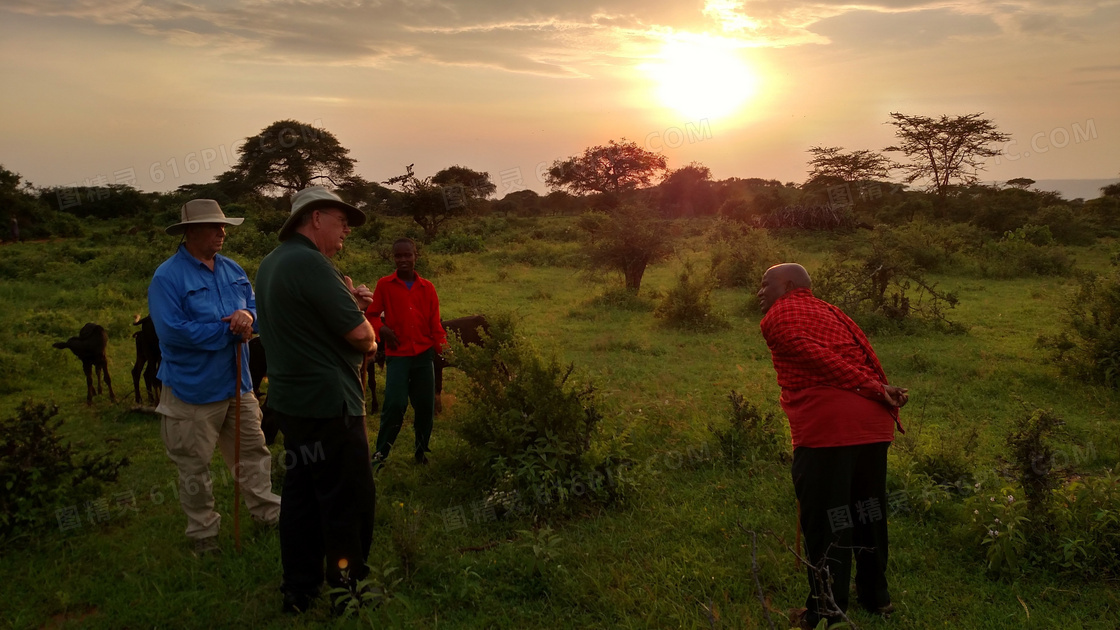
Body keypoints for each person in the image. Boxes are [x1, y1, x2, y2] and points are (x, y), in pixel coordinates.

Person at [756, 263, 908, 629]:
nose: (760, 292)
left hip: (830, 428)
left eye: (766, 284)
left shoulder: (779, 315)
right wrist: (877, 389)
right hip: (872, 425)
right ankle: (877, 598)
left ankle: (827, 608)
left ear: (788, 285)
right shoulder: (830, 310)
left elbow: (819, 359)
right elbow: (861, 355)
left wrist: (872, 387)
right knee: (867, 511)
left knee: (829, 519)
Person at [255, 185, 378, 615]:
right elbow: (362, 337)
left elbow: (306, 325)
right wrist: (363, 320)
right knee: (347, 502)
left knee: (302, 497)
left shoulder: (271, 264)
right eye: (339, 218)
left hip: (291, 403)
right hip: (331, 405)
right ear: (314, 219)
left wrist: (347, 301)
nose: (346, 227)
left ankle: (298, 591)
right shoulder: (312, 263)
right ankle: (348, 592)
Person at [148, 199, 281, 556]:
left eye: (223, 226)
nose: (222, 232)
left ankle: (268, 515)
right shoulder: (167, 277)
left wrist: (247, 317)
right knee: (194, 466)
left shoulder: (233, 269)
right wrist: (227, 332)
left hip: (238, 384)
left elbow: (253, 308)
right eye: (214, 226)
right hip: (192, 390)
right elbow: (172, 332)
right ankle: (203, 535)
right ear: (191, 232)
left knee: (253, 453)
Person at [366, 237, 447, 466]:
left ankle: (421, 452)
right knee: (394, 405)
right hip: (398, 356)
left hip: (423, 355)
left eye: (407, 255)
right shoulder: (385, 284)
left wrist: (447, 351)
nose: (403, 260)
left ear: (415, 256)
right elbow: (371, 314)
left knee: (424, 406)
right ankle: (381, 454)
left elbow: (435, 326)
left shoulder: (427, 287)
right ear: (394, 258)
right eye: (398, 256)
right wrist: (382, 329)